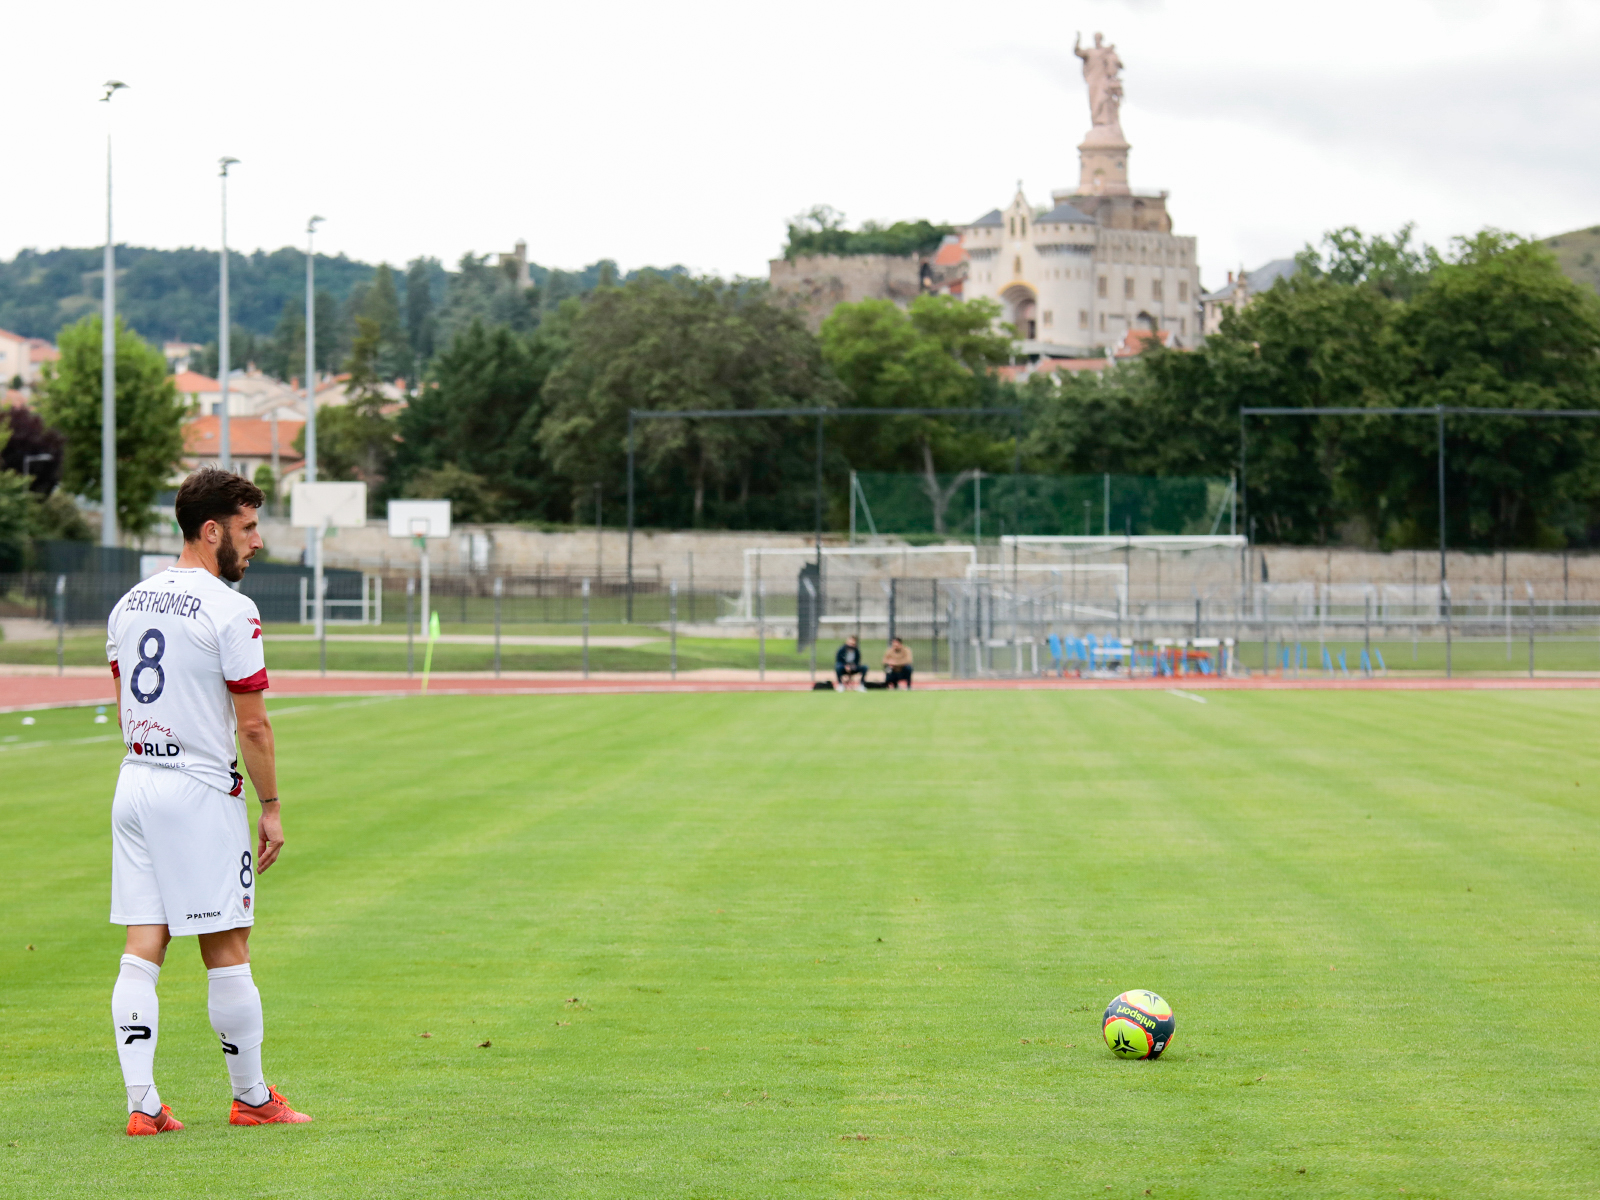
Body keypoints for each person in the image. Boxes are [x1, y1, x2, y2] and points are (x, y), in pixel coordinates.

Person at [106, 468, 311, 1136]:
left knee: (144, 943)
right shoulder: (232, 609)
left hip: (135, 782)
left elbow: (123, 706)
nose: (257, 542)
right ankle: (251, 1097)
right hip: (197, 790)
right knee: (227, 943)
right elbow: (252, 725)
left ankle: (143, 1105)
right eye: (249, 528)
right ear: (212, 529)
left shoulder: (129, 603)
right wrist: (272, 804)